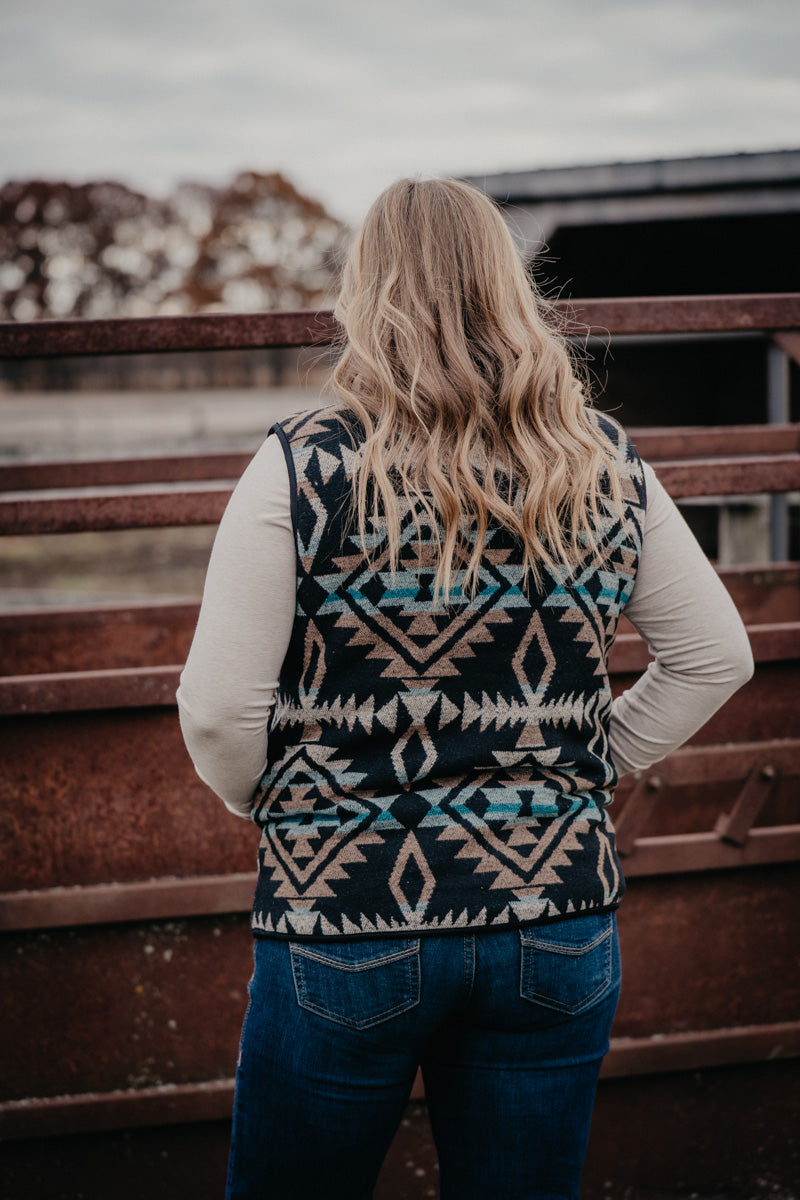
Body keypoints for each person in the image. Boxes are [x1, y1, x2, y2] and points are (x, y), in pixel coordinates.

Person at [177, 178, 754, 1200]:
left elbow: (221, 711)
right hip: (554, 917)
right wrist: (586, 769)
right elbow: (713, 654)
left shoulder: (304, 466)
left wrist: (266, 802)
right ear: (508, 289)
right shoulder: (601, 461)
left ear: (365, 294)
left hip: (344, 915)